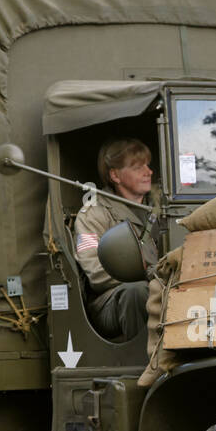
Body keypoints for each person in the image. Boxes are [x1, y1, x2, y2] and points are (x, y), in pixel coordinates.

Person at [74, 137, 155, 341]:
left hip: (157, 287)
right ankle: (146, 365)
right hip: (110, 300)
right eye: (138, 167)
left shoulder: (162, 205)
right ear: (115, 175)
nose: (149, 172)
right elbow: (95, 272)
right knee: (136, 292)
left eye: (148, 165)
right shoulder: (92, 215)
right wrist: (150, 275)